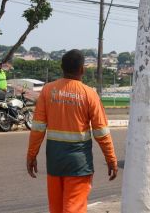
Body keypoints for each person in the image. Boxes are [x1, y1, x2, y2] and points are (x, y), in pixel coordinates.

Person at [26, 49, 118, 213]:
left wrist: (31, 155)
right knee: (73, 208)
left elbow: (38, 129)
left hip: (55, 162)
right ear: (82, 69)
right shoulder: (89, 94)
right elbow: (101, 133)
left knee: (56, 208)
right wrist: (111, 159)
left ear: (62, 67)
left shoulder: (48, 91)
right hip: (79, 165)